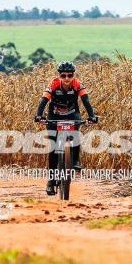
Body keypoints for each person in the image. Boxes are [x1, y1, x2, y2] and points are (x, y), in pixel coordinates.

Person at [34, 61, 97, 196]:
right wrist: (39, 115)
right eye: (64, 76)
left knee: (75, 134)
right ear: (59, 76)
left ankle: (75, 160)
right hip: (54, 114)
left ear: (73, 75)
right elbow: (43, 101)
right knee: (53, 147)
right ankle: (51, 181)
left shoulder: (78, 85)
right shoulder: (53, 84)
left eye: (70, 75)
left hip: (72, 113)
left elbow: (86, 101)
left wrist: (92, 116)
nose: (67, 78)